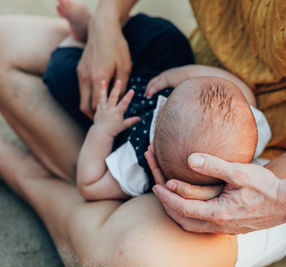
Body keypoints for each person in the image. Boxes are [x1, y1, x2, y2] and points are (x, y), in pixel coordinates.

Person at [0, 0, 286, 265]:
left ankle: (26, 174)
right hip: (182, 86)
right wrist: (106, 21)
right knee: (4, 44)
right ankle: (107, 206)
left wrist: (261, 192)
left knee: (135, 256)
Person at [48, 0, 268, 200]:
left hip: (117, 111)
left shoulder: (139, 165)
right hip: (160, 75)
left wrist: (102, 130)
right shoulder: (248, 133)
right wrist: (180, 75)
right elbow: (239, 89)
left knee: (61, 71)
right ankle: (96, 32)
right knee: (166, 38)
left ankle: (79, 38)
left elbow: (90, 184)